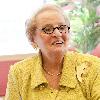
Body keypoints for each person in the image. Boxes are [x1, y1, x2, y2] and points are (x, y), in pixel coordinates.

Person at [5, 4, 100, 100]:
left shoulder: (93, 66)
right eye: (48, 29)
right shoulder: (19, 72)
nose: (58, 34)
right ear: (33, 38)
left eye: (62, 28)